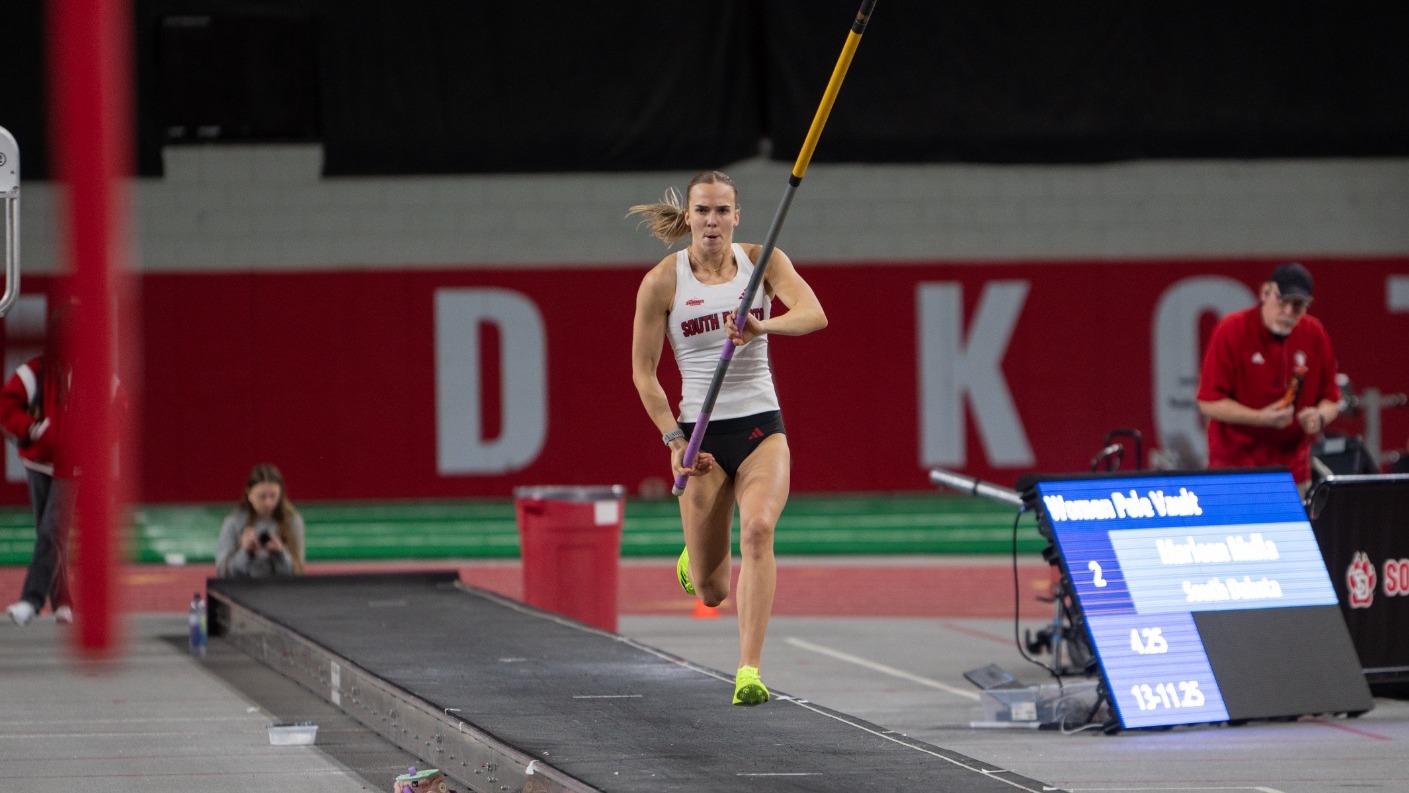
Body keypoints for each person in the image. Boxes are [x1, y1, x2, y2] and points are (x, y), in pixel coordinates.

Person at [628, 170, 827, 706]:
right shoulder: (663, 282)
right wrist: (674, 442)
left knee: (759, 530)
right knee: (712, 590)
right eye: (703, 211)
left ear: (736, 216)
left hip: (761, 426)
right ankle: (694, 559)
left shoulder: (763, 261)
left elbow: (814, 315)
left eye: (722, 211)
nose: (712, 221)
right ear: (688, 217)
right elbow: (644, 373)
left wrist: (764, 326)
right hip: (700, 440)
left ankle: (748, 670)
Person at [1196, 262, 1340, 496]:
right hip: (1234, 470)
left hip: (1292, 472)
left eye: (1298, 306)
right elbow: (1208, 402)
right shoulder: (1232, 329)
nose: (1288, 312)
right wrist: (1260, 418)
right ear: (1265, 292)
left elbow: (1331, 399)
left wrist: (1319, 417)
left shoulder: (1313, 333)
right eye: (1282, 301)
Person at [0, 306, 74, 626]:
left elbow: (117, 404)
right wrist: (31, 428)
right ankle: (63, 601)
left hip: (71, 466)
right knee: (50, 535)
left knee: (52, 530)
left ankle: (31, 601)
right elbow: (7, 404)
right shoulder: (36, 371)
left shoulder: (94, 372)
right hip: (37, 462)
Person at [215, 463, 306, 578]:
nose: (268, 503)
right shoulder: (233, 522)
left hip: (280, 587)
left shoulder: (292, 521)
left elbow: (298, 573)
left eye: (273, 496)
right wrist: (245, 552)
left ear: (281, 494)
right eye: (262, 496)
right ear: (249, 493)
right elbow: (222, 573)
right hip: (245, 587)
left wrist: (280, 553)